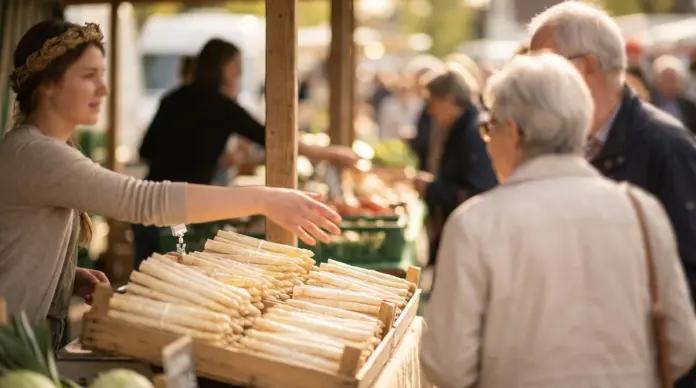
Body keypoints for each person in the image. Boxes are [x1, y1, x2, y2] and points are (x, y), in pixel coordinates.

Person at [0, 20, 341, 352]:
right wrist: (266, 199)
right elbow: (144, 201)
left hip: (25, 342)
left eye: (102, 75)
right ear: (47, 84)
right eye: (89, 76)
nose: (103, 89)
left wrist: (65, 276)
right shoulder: (35, 154)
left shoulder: (39, 150)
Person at [421, 52, 696, 388]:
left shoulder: (476, 223)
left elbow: (447, 365)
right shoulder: (641, 210)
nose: (488, 142)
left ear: (513, 131)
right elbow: (681, 345)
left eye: (489, 128)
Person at [528, 3, 696, 386]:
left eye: (542, 65)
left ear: (586, 66)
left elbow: (687, 278)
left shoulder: (666, 147)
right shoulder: (568, 141)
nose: (531, 80)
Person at [134, 38, 358, 267]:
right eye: (236, 66)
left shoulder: (172, 99)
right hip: (182, 208)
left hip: (150, 202)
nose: (238, 74)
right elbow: (271, 139)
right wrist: (328, 154)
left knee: (142, 280)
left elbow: (146, 150)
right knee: (173, 278)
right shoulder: (221, 105)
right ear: (223, 66)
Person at [413, 65, 497, 268]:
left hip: (472, 243)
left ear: (450, 99)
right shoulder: (461, 127)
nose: (430, 110)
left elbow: (477, 194)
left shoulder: (472, 132)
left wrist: (432, 188)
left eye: (432, 101)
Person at [651, 55, 696, 133]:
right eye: (666, 78)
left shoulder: (688, 105)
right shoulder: (650, 102)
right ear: (658, 80)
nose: (670, 83)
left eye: (673, 78)